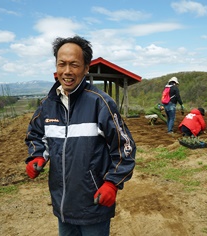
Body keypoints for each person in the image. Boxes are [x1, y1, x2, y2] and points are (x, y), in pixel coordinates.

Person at [24, 35, 136, 236]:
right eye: (62, 64)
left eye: (74, 65)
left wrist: (112, 183)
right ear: (56, 67)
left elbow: (125, 147)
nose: (67, 71)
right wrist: (37, 155)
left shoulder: (100, 103)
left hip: (94, 204)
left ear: (86, 68)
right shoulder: (47, 105)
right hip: (63, 205)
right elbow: (36, 134)